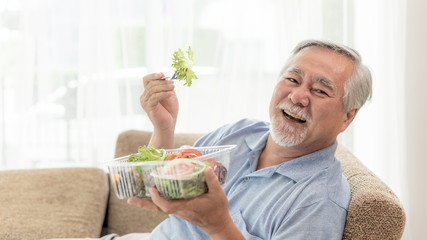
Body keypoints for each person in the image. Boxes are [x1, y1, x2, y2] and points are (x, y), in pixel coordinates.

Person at [53, 39, 372, 240]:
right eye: (292, 79)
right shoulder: (242, 132)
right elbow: (161, 182)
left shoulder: (319, 201)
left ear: (348, 116)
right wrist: (164, 128)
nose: (299, 96)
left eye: (320, 90)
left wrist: (220, 227)